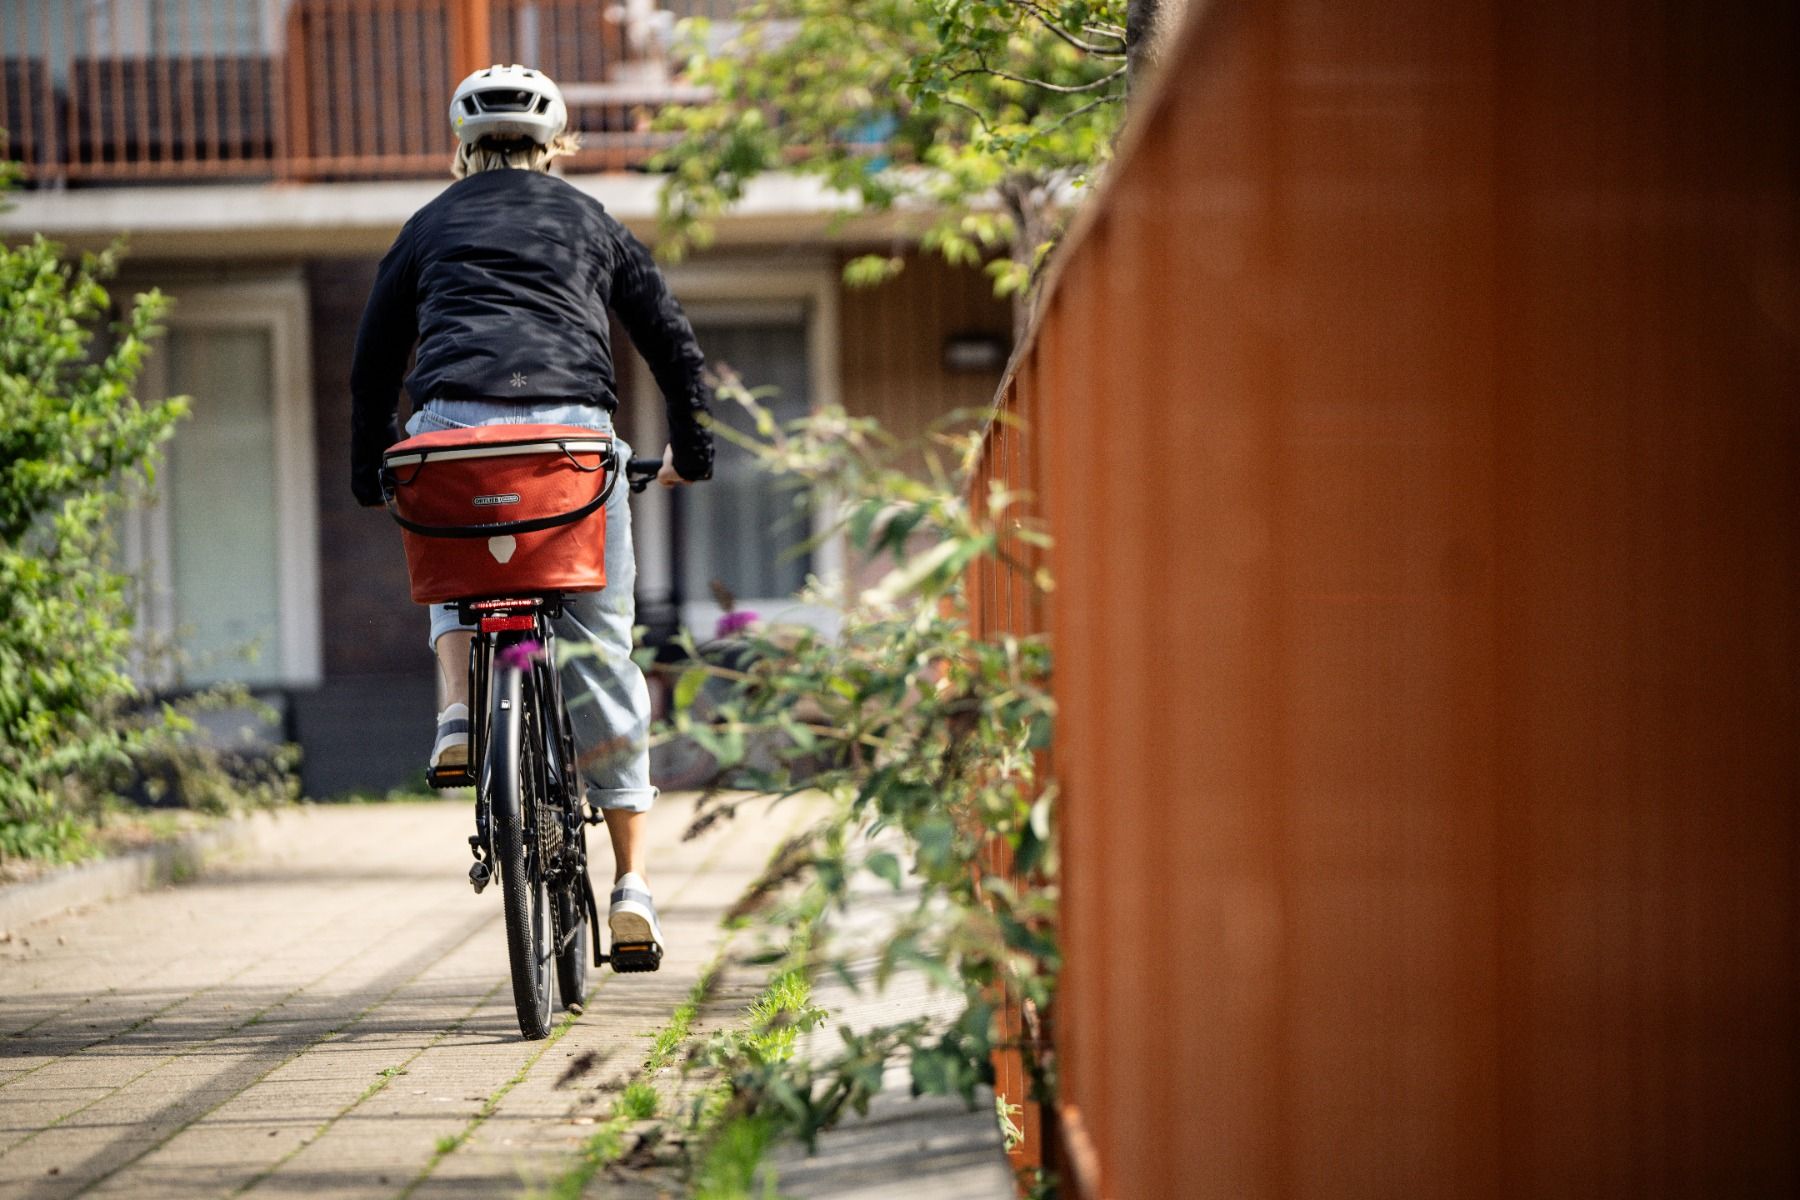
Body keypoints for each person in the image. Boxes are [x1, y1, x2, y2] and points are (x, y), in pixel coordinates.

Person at [348, 64, 714, 968]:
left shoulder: (426, 227)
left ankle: (459, 711)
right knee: (603, 649)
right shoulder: (592, 221)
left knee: (451, 548)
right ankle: (631, 885)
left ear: (462, 147)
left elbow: (371, 361)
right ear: (556, 145)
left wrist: (370, 467)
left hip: (452, 432)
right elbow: (670, 341)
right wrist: (692, 453)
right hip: (568, 447)